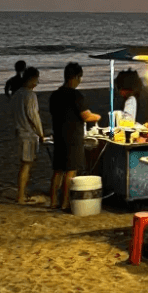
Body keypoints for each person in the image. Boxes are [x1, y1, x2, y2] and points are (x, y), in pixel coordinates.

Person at [49, 62, 101, 211]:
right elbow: (85, 116)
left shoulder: (55, 95)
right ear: (75, 77)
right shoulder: (75, 95)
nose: (80, 81)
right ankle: (65, 202)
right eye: (80, 78)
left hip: (58, 134)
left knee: (58, 170)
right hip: (73, 136)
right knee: (70, 170)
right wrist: (96, 116)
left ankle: (53, 201)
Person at [11, 66, 44, 204]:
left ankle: (22, 193)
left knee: (24, 164)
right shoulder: (30, 95)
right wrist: (41, 133)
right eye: (36, 79)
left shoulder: (17, 94)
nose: (37, 82)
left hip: (19, 131)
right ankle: (21, 196)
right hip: (28, 134)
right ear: (31, 79)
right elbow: (33, 116)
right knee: (27, 165)